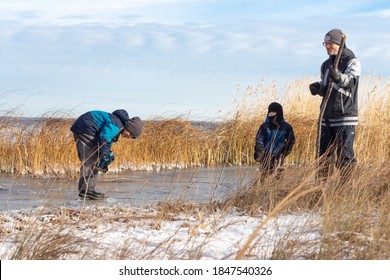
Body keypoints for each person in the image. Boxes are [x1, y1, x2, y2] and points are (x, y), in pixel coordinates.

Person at [309, 28, 361, 180]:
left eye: (330, 43)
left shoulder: (353, 61)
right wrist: (318, 87)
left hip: (345, 117)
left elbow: (351, 83)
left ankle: (345, 190)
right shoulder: (325, 65)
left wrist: (339, 77)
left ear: (339, 43)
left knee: (345, 157)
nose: (327, 46)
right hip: (326, 117)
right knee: (323, 157)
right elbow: (327, 88)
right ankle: (322, 190)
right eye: (325, 43)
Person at [70, 109, 144, 200]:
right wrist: (104, 156)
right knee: (91, 159)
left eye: (131, 137)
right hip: (86, 129)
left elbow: (106, 142)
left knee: (95, 158)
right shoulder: (116, 125)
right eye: (130, 135)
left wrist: (108, 154)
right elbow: (103, 139)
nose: (128, 137)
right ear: (129, 128)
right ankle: (86, 190)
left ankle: (87, 190)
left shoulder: (117, 125)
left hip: (86, 128)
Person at [254, 102, 295, 179]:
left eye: (273, 112)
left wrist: (283, 153)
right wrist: (263, 155)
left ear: (279, 113)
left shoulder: (286, 127)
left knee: (278, 181)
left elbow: (291, 140)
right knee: (264, 181)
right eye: (270, 112)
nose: (271, 114)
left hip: (279, 159)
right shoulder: (264, 126)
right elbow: (259, 140)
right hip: (265, 159)